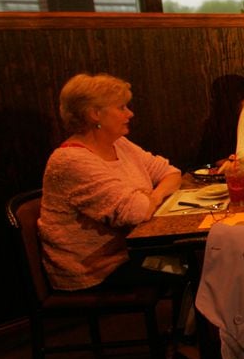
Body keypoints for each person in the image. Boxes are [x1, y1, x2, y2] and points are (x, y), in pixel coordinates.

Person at [38, 74, 182, 291]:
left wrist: (151, 197)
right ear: (95, 114)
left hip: (129, 252)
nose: (130, 113)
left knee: (201, 260)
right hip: (95, 269)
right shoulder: (70, 160)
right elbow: (136, 211)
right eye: (122, 107)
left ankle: (191, 324)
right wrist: (148, 200)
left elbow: (171, 173)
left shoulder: (120, 144)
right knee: (195, 267)